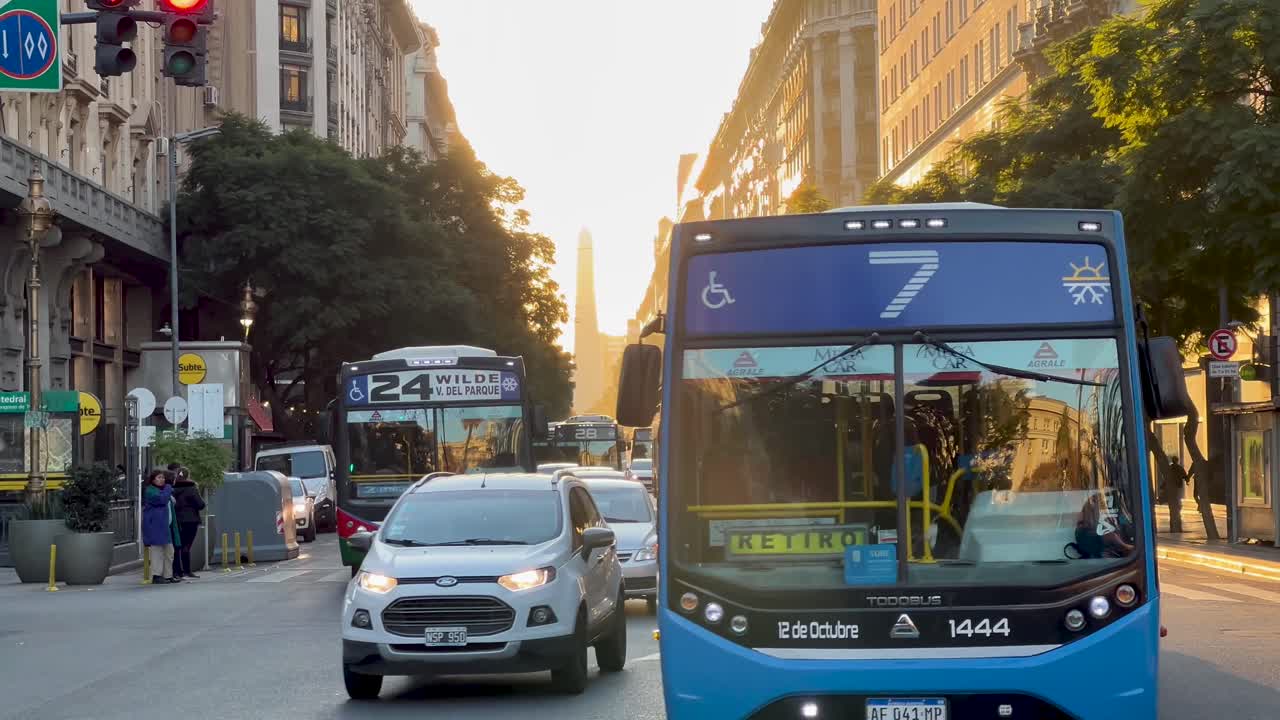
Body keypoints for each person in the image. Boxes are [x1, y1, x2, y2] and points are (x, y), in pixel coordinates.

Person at [142, 469, 180, 585]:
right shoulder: (150, 491)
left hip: (165, 526)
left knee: (169, 551)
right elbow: (161, 500)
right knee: (157, 551)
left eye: (163, 477)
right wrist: (168, 488)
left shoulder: (163, 490)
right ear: (153, 479)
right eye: (159, 477)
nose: (162, 479)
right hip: (155, 526)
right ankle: (157, 575)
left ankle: (168, 575)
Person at [172, 466, 205, 579]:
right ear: (188, 476)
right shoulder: (192, 488)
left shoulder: (172, 489)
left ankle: (177, 571)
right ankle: (187, 570)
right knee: (186, 546)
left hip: (176, 520)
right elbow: (201, 504)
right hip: (191, 520)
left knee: (177, 545)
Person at [1165, 458, 1189, 533]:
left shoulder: (1170, 468)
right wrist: (1187, 480)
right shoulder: (1179, 468)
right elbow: (1185, 475)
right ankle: (1178, 510)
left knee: (1173, 504)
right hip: (1178, 487)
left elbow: (1166, 478)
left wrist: (1163, 486)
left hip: (1172, 487)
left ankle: (1174, 524)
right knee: (1177, 501)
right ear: (1177, 460)